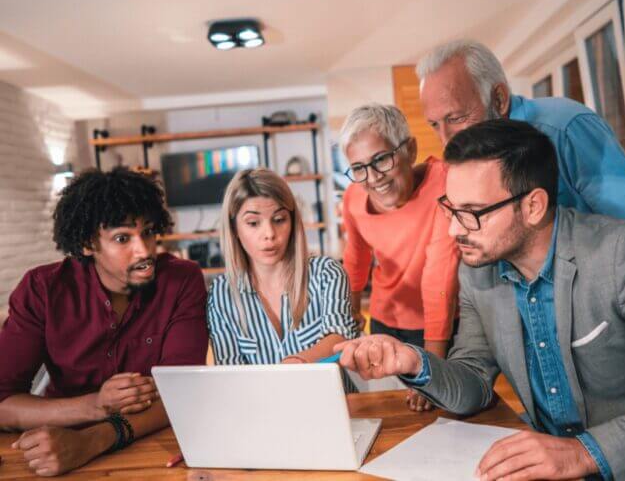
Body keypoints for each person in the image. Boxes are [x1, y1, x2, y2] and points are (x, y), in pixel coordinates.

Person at [335, 120, 625, 480]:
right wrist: (415, 362)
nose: (453, 230)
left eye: (472, 214)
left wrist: (584, 452)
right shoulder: (478, 273)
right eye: (450, 208)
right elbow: (473, 384)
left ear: (533, 207)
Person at [416, 39, 625, 280]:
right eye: (434, 125)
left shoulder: (564, 128)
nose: (446, 140)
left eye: (455, 118)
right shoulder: (471, 160)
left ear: (499, 99)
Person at [0, 167, 208, 476]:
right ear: (87, 244)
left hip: (150, 446)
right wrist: (95, 405)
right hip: (53, 448)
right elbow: (3, 403)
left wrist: (91, 441)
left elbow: (183, 393)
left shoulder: (182, 281)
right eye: (122, 238)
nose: (144, 250)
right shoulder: (42, 290)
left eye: (148, 232)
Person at [340, 104, 459, 411]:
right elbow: (356, 257)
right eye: (359, 167)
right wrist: (351, 319)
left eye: (381, 159)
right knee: (392, 410)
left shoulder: (446, 183)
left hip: (440, 325)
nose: (373, 177)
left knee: (441, 407)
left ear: (410, 149)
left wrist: (432, 367)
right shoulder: (353, 197)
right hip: (384, 321)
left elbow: (440, 276)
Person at [206, 168, 357, 368]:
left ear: (292, 222)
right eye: (253, 223)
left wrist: (297, 362)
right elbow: (230, 369)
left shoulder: (326, 273)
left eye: (279, 220)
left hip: (330, 398)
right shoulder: (221, 294)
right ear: (234, 229)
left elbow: (340, 338)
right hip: (259, 400)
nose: (269, 233)